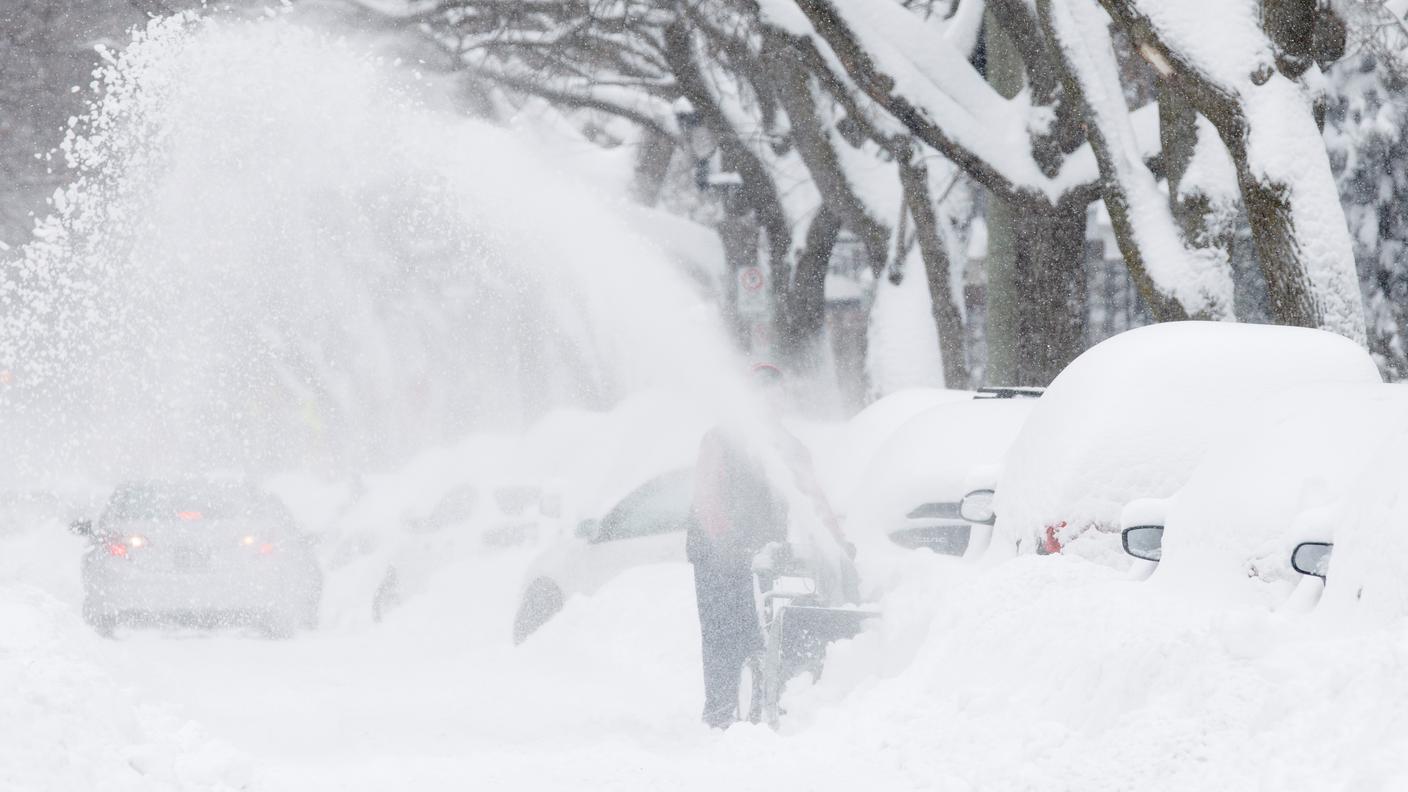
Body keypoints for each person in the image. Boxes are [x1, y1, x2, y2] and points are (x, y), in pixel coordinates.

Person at [687, 362, 849, 728]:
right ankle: (720, 712)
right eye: (763, 395)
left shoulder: (790, 448)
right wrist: (725, 540)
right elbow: (707, 497)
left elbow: (815, 500)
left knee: (761, 627)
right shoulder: (721, 440)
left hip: (759, 553)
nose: (771, 403)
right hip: (714, 552)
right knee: (722, 631)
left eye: (777, 396)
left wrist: (836, 544)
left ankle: (760, 699)